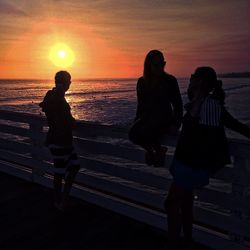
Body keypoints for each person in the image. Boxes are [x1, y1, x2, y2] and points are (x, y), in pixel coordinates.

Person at [164, 66, 250, 250]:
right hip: (183, 162)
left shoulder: (210, 105)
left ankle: (172, 245)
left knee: (171, 203)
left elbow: (207, 138)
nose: (190, 77)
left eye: (193, 75)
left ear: (201, 81)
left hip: (191, 165)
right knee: (185, 205)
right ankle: (187, 241)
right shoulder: (199, 101)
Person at [128, 50, 183, 167]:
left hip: (164, 119)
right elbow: (141, 104)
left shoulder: (170, 80)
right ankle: (156, 150)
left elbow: (178, 104)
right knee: (132, 134)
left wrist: (176, 124)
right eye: (156, 65)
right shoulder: (142, 82)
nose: (160, 67)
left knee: (149, 132)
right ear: (148, 65)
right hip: (147, 118)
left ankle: (157, 151)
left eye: (162, 64)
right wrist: (137, 120)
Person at [39, 71, 80, 211]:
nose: (70, 83)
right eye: (69, 81)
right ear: (63, 82)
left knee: (73, 167)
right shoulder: (58, 98)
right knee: (60, 172)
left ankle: (62, 199)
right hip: (61, 141)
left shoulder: (52, 95)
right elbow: (65, 120)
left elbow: (47, 109)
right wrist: (72, 121)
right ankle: (59, 202)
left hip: (60, 140)